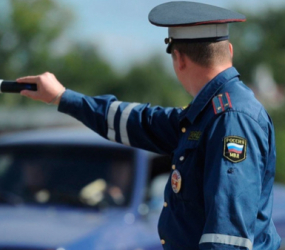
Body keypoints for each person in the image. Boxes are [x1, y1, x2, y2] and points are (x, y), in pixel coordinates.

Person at [16, 2, 281, 249]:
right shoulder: (209, 113)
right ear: (229, 51)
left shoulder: (229, 117)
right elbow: (139, 121)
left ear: (179, 58)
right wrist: (63, 97)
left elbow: (227, 238)